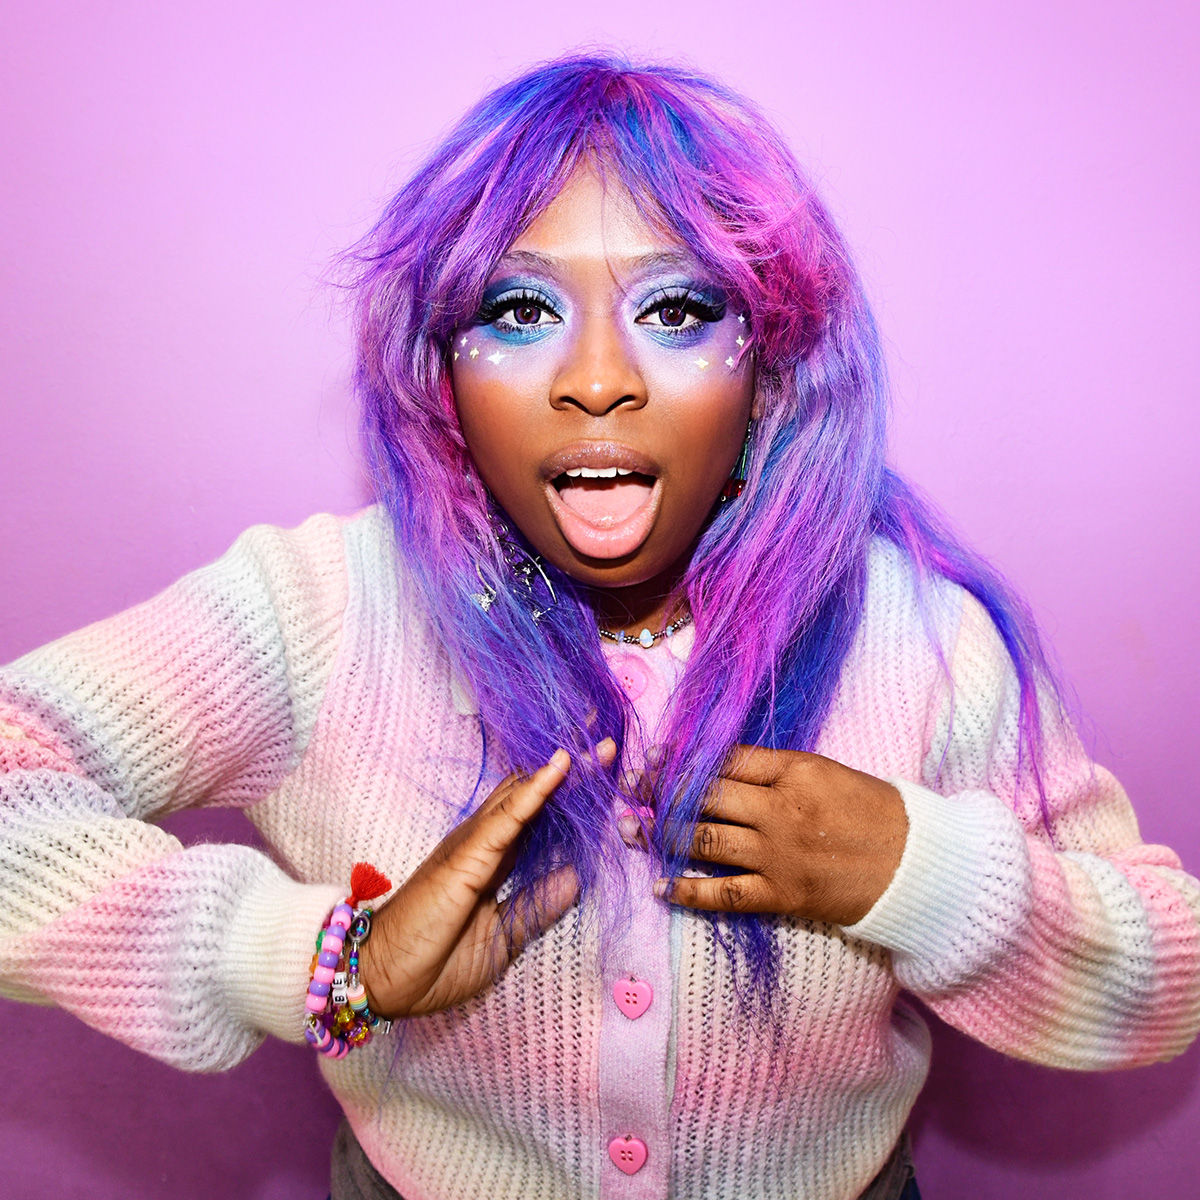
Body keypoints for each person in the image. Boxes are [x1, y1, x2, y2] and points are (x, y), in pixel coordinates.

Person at [1, 53, 1197, 1200]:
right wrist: (327, 960)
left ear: (772, 370)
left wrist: (918, 875)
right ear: (438, 375)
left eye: (676, 308)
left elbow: (1168, 976)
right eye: (518, 308)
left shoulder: (918, 636)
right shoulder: (323, 610)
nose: (596, 379)